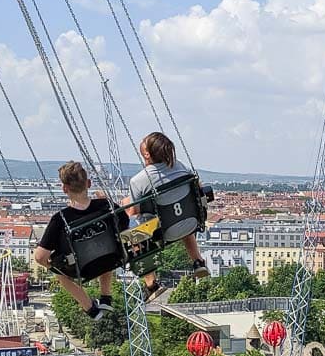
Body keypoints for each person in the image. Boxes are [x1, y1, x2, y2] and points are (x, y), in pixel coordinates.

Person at [35, 161, 126, 321]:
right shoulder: (105, 205)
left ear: (64, 189)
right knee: (105, 245)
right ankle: (106, 297)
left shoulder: (60, 219)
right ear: (88, 184)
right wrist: (107, 201)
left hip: (82, 269)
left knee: (58, 271)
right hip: (111, 258)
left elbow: (40, 257)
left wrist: (52, 266)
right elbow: (124, 221)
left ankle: (90, 308)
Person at [123, 132, 209, 300]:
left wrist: (124, 203)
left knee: (133, 233)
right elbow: (198, 187)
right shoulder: (180, 166)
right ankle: (198, 261)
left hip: (162, 233)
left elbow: (133, 211)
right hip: (189, 223)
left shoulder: (139, 180)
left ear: (147, 154)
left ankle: (151, 284)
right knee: (178, 212)